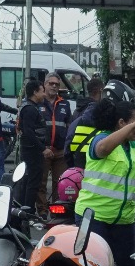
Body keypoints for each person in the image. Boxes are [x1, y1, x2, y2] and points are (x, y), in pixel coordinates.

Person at [78, 80, 135, 266]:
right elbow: (103, 148)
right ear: (121, 123)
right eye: (134, 124)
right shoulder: (100, 139)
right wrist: (133, 126)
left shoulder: (133, 146)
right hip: (94, 216)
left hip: (123, 220)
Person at [39, 73, 74, 208]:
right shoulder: (38, 102)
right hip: (43, 150)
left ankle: (56, 211)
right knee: (40, 184)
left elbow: (70, 126)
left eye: (57, 84)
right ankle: (42, 212)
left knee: (60, 183)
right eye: (51, 83)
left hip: (60, 151)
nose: (54, 86)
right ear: (45, 84)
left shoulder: (64, 104)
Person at [15, 79, 49, 209]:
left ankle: (25, 210)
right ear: (35, 92)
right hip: (32, 152)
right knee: (32, 182)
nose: (44, 94)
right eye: (42, 91)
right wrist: (42, 149)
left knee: (29, 181)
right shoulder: (30, 109)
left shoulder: (28, 107)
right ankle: (27, 211)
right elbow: (29, 132)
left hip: (32, 151)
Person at [65, 77, 107, 170]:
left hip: (76, 160)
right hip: (94, 160)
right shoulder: (99, 112)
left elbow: (69, 137)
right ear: (100, 90)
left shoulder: (77, 110)